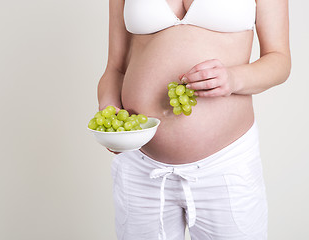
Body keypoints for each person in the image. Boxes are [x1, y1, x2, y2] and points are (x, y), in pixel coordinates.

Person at [97, 0, 291, 239]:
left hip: (226, 165)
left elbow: (280, 59)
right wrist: (109, 110)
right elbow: (115, 68)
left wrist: (233, 78)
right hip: (140, 167)